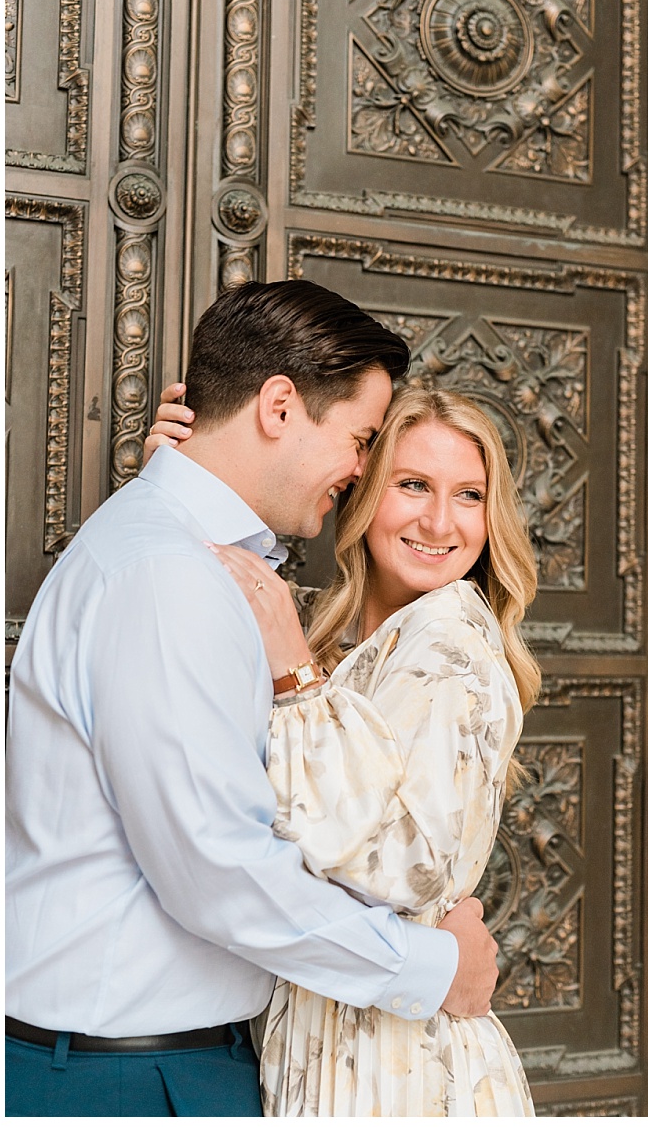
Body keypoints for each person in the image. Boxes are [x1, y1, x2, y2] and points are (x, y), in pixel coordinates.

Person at [5, 280, 502, 1117]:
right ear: (278, 405)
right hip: (129, 1077)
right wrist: (433, 968)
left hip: (162, 1062)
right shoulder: (169, 572)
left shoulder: (186, 557)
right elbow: (216, 866)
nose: (357, 469)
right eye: (360, 441)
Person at [150, 384, 538, 1114]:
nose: (437, 520)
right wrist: (183, 475)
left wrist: (297, 682)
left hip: (397, 1067)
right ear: (363, 494)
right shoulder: (334, 638)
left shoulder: (451, 644)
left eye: (468, 495)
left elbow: (403, 870)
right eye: (414, 485)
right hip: (329, 1033)